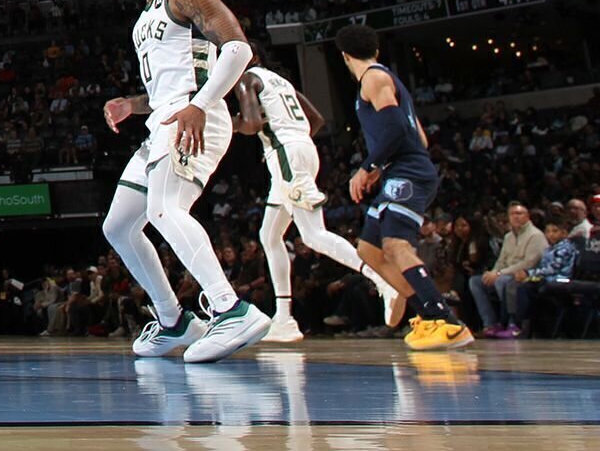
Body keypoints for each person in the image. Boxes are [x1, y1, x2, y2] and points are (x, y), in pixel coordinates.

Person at [101, 0, 270, 363]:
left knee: (164, 209)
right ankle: (174, 320)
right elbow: (169, 86)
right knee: (118, 225)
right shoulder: (146, 17)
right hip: (165, 119)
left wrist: (200, 105)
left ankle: (233, 310)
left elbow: (237, 49)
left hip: (193, 119)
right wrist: (130, 105)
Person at [231, 59, 397, 342]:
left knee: (313, 235)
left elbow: (251, 124)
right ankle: (284, 318)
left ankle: (381, 277)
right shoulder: (279, 81)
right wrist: (291, 140)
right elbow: (317, 119)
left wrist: (227, 123)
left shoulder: (247, 78)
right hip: (302, 150)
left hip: (287, 154)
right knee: (269, 236)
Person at [334, 22, 473, 350]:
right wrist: (384, 167)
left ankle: (447, 322)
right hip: (403, 171)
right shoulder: (386, 81)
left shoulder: (373, 78)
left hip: (407, 173)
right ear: (375, 49)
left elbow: (397, 128)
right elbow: (419, 136)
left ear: (344, 56)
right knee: (368, 250)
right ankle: (427, 315)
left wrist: (367, 167)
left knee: (396, 246)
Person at [470, 201, 546, 338]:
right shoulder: (508, 236)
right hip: (505, 273)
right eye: (512, 214)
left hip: (525, 276)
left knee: (501, 281)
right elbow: (501, 260)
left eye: (519, 213)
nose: (515, 217)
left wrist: (499, 274)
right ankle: (490, 324)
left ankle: (510, 323)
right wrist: (493, 272)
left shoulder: (536, 236)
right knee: (475, 281)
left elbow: (529, 263)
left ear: (527, 216)